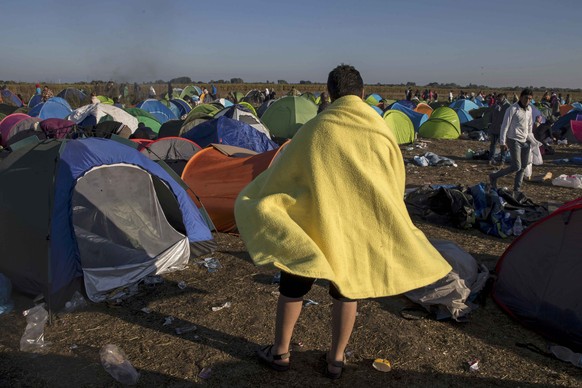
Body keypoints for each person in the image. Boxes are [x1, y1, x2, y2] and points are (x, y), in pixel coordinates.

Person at [234, 64, 451, 379]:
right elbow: (394, 178)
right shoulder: (380, 129)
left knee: (293, 286)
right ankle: (336, 359)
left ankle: (280, 352)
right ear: (362, 93)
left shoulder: (315, 128)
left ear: (329, 94)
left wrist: (264, 199)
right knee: (348, 289)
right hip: (355, 226)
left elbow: (285, 176)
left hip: (312, 224)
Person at [489, 88, 534, 194]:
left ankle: (517, 190)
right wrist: (502, 142)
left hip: (526, 140)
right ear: (521, 97)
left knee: (523, 166)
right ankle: (494, 176)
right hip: (514, 139)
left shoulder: (529, 109)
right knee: (516, 166)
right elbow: (505, 125)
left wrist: (531, 138)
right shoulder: (513, 109)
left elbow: (530, 125)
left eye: (530, 99)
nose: (527, 101)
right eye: (526, 98)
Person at [488, 93, 510, 165]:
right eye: (497, 99)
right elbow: (491, 115)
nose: (498, 100)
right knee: (493, 145)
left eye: (500, 99)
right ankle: (491, 159)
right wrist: (490, 124)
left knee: (503, 145)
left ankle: (502, 160)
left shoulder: (508, 107)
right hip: (494, 128)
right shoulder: (495, 106)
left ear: (503, 98)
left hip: (503, 130)